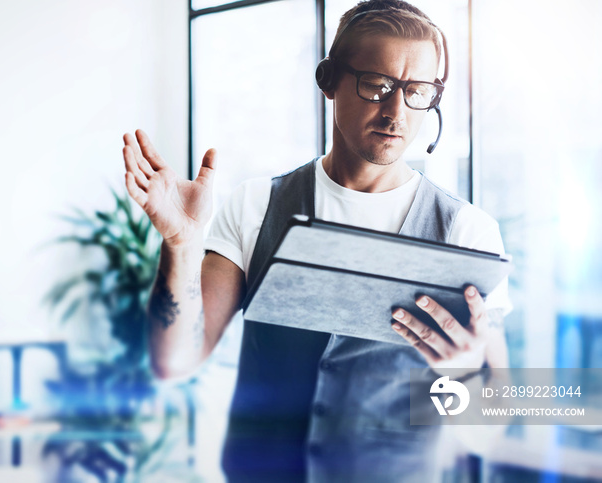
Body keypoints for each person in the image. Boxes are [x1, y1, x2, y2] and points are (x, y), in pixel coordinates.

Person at [122, 1, 510, 481]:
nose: (397, 112)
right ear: (328, 80)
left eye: (417, 91)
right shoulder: (256, 205)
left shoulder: (466, 231)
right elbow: (175, 363)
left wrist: (466, 371)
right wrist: (181, 244)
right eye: (378, 85)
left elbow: (490, 433)